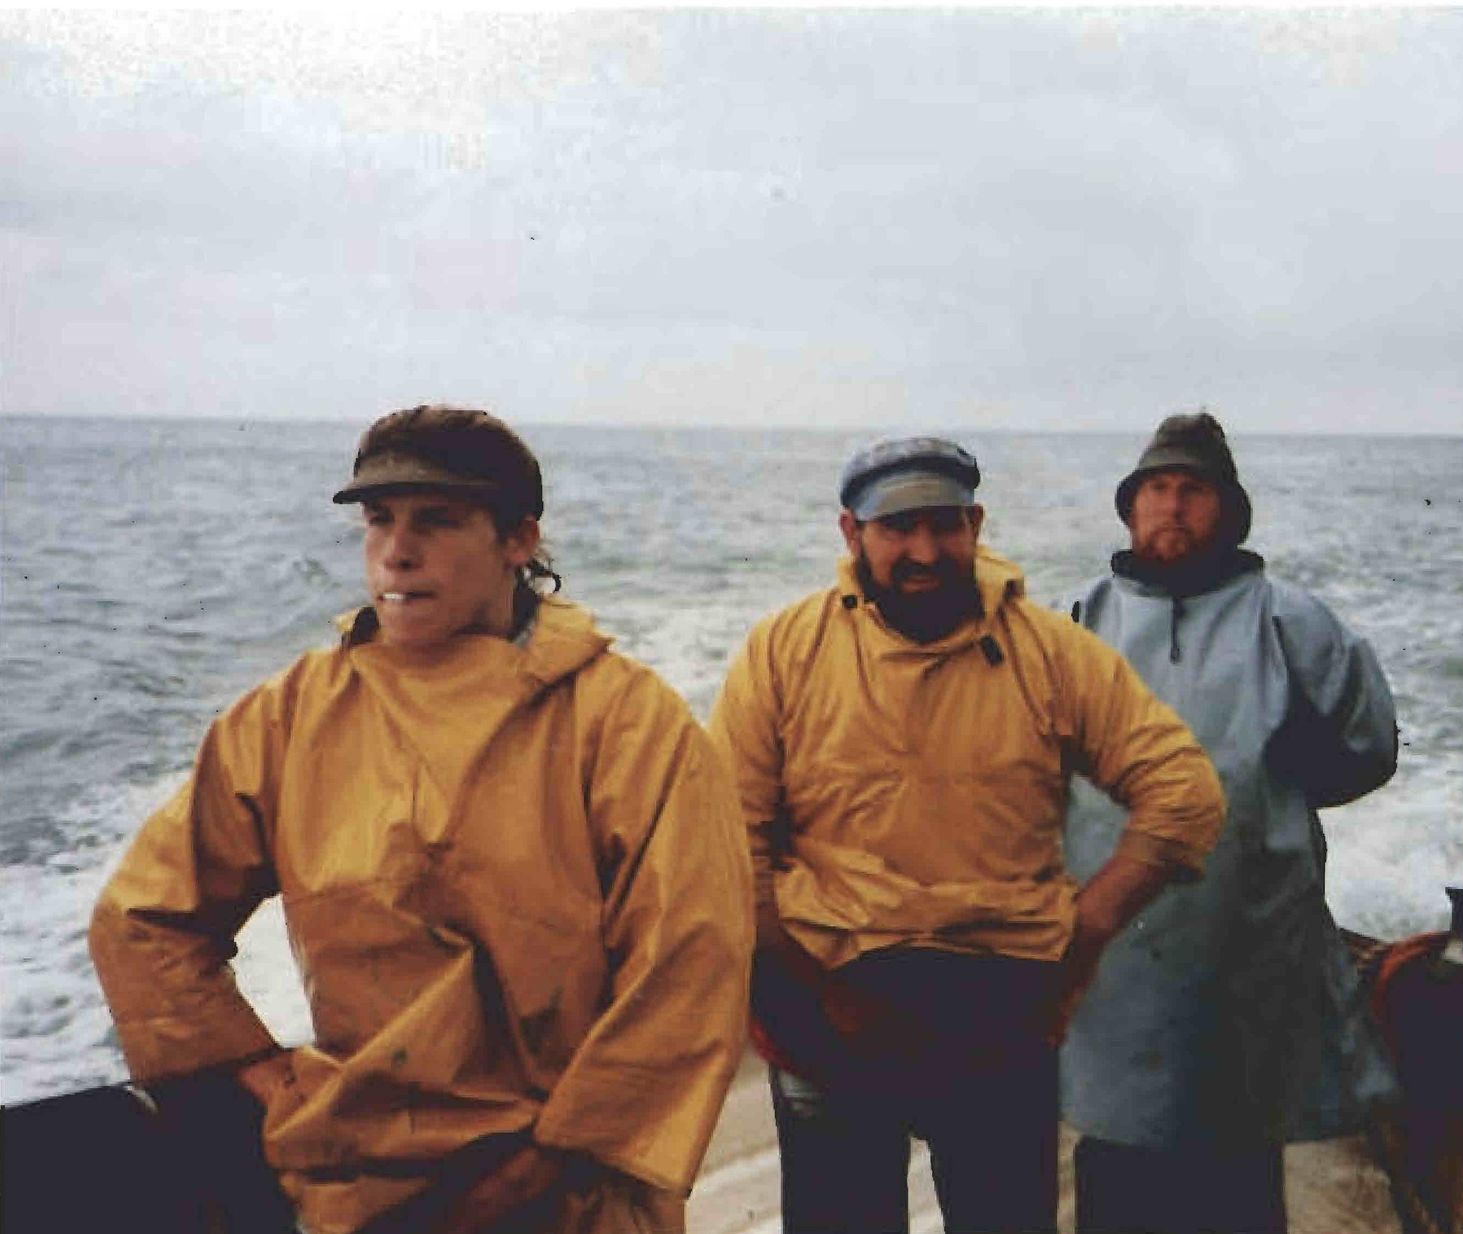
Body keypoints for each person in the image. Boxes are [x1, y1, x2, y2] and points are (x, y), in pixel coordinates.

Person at [88, 405, 753, 1234]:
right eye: (379, 519)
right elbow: (141, 919)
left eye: (436, 521)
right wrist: (263, 1073)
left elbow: (695, 958)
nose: (396, 551)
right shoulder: (289, 716)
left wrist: (551, 1158)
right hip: (364, 1180)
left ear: (519, 540)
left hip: (577, 1184)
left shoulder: (627, 721)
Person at [708, 436, 1225, 1234]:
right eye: (897, 527)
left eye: (944, 525)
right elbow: (724, 837)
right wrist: (803, 987)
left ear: (975, 525)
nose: (924, 551)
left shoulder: (1049, 652)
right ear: (852, 533)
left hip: (999, 1007)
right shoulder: (783, 650)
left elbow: (1184, 792)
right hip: (828, 999)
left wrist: (1088, 931)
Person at [1059, 411, 1401, 1234]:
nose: (1172, 506)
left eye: (1194, 490)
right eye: (1155, 488)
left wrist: (1266, 789)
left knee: (1238, 1159)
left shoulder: (1292, 623)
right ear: (1130, 508)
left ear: (1230, 512)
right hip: (1114, 947)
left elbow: (1367, 751)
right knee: (1117, 1151)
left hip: (1248, 942)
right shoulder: (1076, 620)